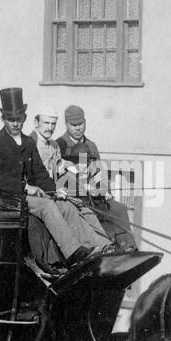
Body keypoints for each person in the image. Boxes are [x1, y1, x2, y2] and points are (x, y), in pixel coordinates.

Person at [0, 88, 111, 267]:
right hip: (5, 198)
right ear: (3, 119)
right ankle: (73, 253)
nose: (15, 123)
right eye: (11, 120)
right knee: (47, 205)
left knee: (67, 206)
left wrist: (55, 190)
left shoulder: (28, 143)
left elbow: (40, 174)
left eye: (19, 119)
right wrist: (25, 187)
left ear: (24, 118)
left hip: (25, 196)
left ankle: (99, 247)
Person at [56, 104, 137, 251]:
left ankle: (127, 246)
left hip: (95, 194)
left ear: (85, 122)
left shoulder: (91, 146)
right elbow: (58, 176)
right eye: (73, 125)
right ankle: (104, 247)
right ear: (66, 123)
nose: (78, 128)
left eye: (80, 124)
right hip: (75, 196)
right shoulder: (59, 145)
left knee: (118, 208)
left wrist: (105, 191)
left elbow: (101, 172)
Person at [31, 105, 112, 250]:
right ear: (36, 123)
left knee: (84, 208)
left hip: (55, 191)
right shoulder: (30, 143)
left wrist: (78, 170)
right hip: (42, 194)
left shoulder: (54, 145)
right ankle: (91, 247)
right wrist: (56, 189)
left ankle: (107, 246)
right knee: (72, 208)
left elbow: (61, 164)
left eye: (53, 124)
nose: (50, 127)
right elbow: (35, 175)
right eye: (46, 123)